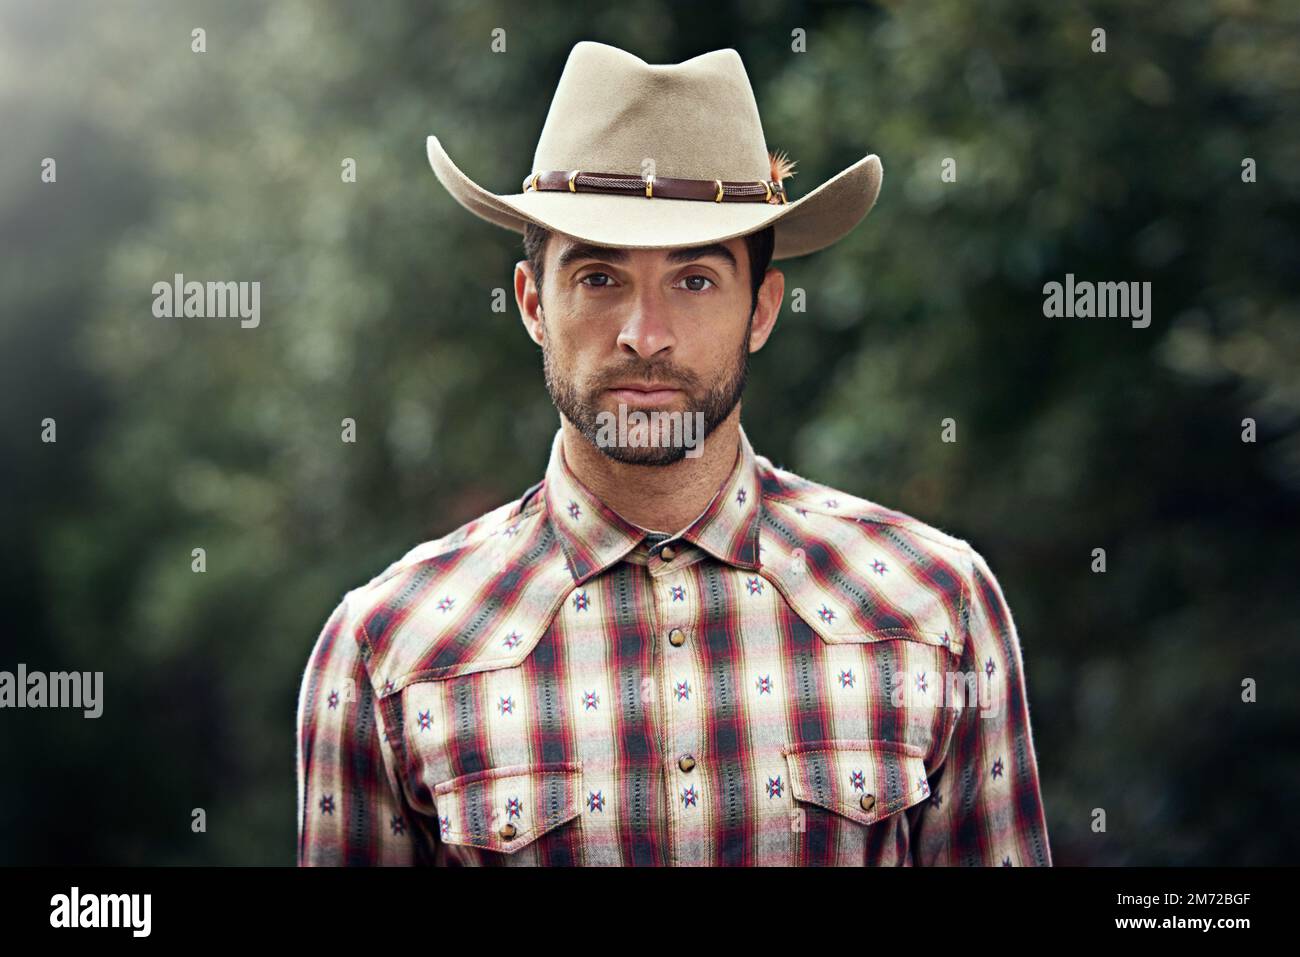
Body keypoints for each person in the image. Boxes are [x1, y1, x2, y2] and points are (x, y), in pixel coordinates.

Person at [296, 40, 1051, 866]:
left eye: (694, 280)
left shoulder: (936, 606)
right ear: (532, 305)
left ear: (761, 309)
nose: (644, 336)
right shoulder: (387, 649)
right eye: (597, 279)